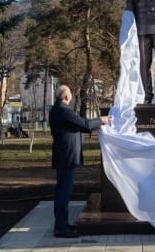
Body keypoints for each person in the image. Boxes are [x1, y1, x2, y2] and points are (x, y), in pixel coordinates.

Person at [49, 85, 110, 238]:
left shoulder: (56, 110)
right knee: (63, 192)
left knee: (64, 191)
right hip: (66, 157)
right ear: (66, 97)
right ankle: (61, 228)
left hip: (63, 156)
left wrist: (92, 128)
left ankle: (62, 224)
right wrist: (101, 120)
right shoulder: (64, 110)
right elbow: (84, 123)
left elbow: (75, 126)